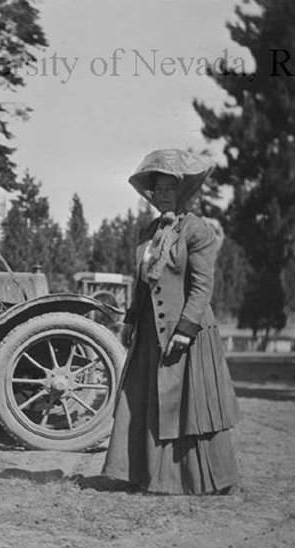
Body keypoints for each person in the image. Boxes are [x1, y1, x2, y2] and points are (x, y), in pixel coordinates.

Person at [102, 149, 240, 495]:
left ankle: (202, 480)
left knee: (189, 405)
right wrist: (132, 319)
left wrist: (186, 329)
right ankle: (147, 476)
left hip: (183, 333)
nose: (161, 195)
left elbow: (202, 285)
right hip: (150, 333)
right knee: (143, 400)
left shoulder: (197, 231)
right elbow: (142, 281)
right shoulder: (148, 232)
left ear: (182, 191)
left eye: (168, 188)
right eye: (156, 189)